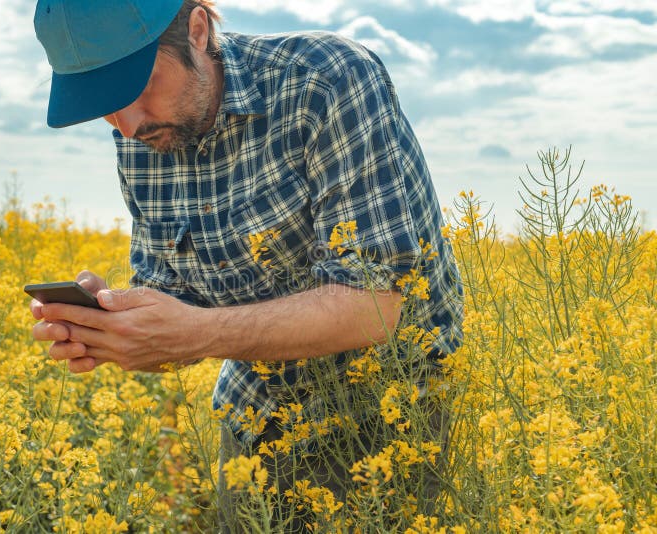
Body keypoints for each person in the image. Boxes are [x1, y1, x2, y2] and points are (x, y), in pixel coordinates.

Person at [31, 0, 463, 531]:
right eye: (105, 106)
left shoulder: (327, 81)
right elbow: (177, 298)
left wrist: (194, 333)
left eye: (133, 89)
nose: (125, 125)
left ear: (196, 29)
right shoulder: (145, 133)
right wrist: (119, 321)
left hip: (388, 421)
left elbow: (374, 305)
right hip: (255, 419)